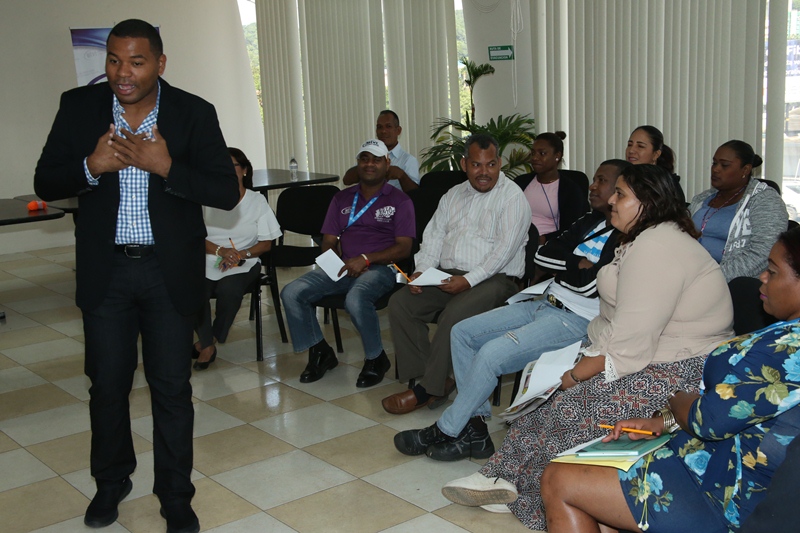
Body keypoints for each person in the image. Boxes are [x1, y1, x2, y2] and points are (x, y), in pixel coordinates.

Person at [441, 164, 733, 529]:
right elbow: (621, 323)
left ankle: (528, 487)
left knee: (573, 404)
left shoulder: (657, 247)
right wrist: (580, 366)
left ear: (647, 202)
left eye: (621, 194)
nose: (611, 200)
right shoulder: (642, 239)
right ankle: (505, 478)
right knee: (552, 397)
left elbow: (630, 339)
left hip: (683, 368)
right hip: (649, 354)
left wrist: (577, 374)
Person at [33, 19, 239, 533]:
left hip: (167, 273)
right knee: (107, 386)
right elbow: (45, 180)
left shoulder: (193, 112)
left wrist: (165, 166)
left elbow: (225, 191)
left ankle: (175, 495)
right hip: (106, 272)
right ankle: (111, 482)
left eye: (137, 62)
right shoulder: (78, 106)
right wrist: (91, 166)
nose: (122, 73)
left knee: (171, 389)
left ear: (160, 64)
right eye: (113, 60)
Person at [540, 230, 800, 533]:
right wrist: (665, 422)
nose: (762, 277)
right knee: (595, 495)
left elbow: (709, 420)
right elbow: (746, 407)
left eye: (773, 271)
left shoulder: (789, 348)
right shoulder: (785, 334)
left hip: (726, 492)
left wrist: (676, 398)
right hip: (712, 458)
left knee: (558, 480)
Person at [393, 159, 629, 461]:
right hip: (544, 301)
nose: (593, 186)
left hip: (576, 320)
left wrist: (568, 264)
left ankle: (445, 429)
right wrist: (576, 263)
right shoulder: (591, 221)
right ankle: (476, 432)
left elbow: (588, 287)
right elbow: (543, 255)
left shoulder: (626, 237)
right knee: (462, 333)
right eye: (594, 179)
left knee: (490, 354)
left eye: (602, 181)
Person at [382, 133, 531, 414]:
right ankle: (433, 376)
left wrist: (467, 281)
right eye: (476, 165)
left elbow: (503, 253)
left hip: (496, 280)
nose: (484, 172)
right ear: (464, 165)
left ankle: (428, 389)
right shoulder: (452, 195)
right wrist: (421, 272)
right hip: (448, 274)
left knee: (454, 314)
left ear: (499, 163)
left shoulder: (513, 198)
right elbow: (433, 238)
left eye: (490, 164)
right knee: (401, 303)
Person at [280, 139, 415, 387]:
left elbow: (404, 248)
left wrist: (366, 259)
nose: (369, 164)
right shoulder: (342, 198)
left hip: (382, 268)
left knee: (356, 298)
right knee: (291, 292)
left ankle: (376, 358)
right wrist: (334, 263)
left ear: (387, 164)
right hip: (344, 266)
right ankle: (320, 351)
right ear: (357, 164)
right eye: (364, 159)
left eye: (376, 160)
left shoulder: (400, 201)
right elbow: (328, 241)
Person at [193, 147, 282, 370]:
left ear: (244, 170)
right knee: (194, 290)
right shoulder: (205, 199)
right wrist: (221, 251)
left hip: (246, 260)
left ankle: (209, 340)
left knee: (229, 290)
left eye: (232, 165)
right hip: (208, 257)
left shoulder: (256, 201)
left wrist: (241, 254)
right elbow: (194, 236)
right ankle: (207, 344)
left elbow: (266, 243)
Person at [690, 140, 787, 282]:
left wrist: (710, 278)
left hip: (729, 282)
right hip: (690, 273)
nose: (715, 169)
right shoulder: (702, 198)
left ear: (745, 170)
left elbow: (762, 254)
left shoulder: (765, 201)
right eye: (714, 163)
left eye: (724, 165)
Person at [514, 131, 589, 243]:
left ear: (557, 156)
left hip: (547, 244)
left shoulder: (570, 190)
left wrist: (543, 239)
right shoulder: (520, 182)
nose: (535, 158)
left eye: (542, 153)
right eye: (533, 153)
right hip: (517, 241)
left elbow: (571, 229)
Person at [342, 110, 420, 192]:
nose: (383, 131)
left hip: (393, 200)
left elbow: (415, 194)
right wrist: (368, 168)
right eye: (379, 127)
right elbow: (347, 180)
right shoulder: (369, 155)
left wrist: (402, 175)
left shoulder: (408, 160)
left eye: (388, 126)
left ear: (398, 130)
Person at [626, 125, 685, 204]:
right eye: (629, 145)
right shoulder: (623, 178)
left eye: (640, 146)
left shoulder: (665, 186)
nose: (631, 150)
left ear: (656, 154)